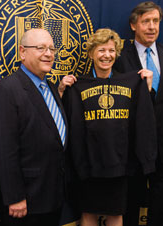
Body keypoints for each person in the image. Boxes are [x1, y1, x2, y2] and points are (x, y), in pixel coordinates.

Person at [59, 28, 157, 226]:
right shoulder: (77, 85)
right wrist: (61, 90)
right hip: (87, 165)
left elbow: (144, 118)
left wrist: (146, 88)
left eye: (111, 51)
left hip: (118, 164)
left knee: (116, 213)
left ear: (117, 53)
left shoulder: (132, 83)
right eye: (101, 50)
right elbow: (62, 120)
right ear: (91, 53)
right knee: (88, 214)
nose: (107, 55)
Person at [113, 2, 163, 226]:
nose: (151, 27)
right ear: (133, 25)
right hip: (133, 145)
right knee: (131, 200)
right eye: (146, 21)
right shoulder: (119, 57)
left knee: (162, 198)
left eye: (155, 21)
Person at [0, 28, 68, 226]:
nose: (48, 54)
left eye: (52, 48)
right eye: (40, 48)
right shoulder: (6, 89)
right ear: (22, 52)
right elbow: (4, 150)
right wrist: (14, 196)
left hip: (52, 195)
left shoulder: (49, 87)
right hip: (26, 201)